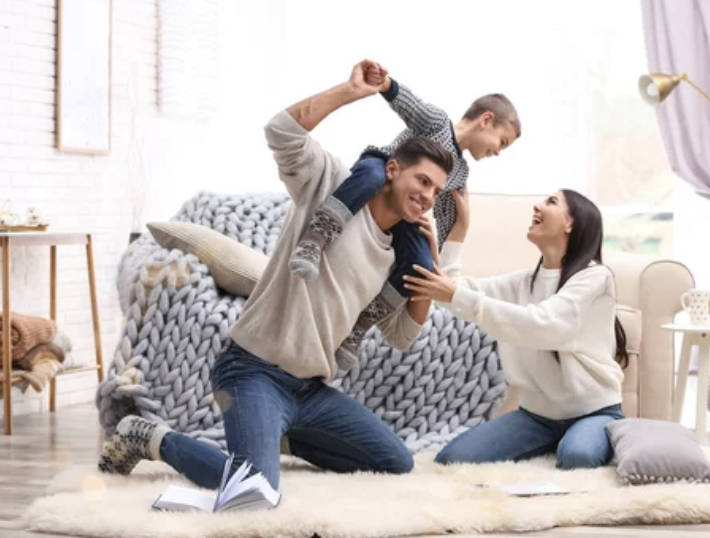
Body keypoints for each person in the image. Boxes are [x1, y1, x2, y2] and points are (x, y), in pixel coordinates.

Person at [97, 60, 455, 491]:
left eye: (436, 191)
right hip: (252, 372)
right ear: (393, 170)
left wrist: (428, 267)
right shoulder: (331, 184)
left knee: (394, 461)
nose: (427, 197)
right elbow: (281, 131)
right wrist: (349, 91)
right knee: (253, 489)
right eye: (422, 180)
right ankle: (150, 436)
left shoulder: (401, 251)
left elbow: (402, 337)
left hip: (310, 392)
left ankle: (274, 435)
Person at [289, 62, 521, 363]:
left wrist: (458, 231)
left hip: (405, 211)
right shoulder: (438, 123)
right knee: (373, 175)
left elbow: (445, 225)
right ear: (486, 120)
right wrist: (385, 84)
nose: (499, 152)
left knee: (421, 262)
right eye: (501, 142)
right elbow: (411, 106)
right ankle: (314, 240)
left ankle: (360, 326)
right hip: (384, 171)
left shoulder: (460, 174)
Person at [403, 188, 629, 470]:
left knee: (578, 457)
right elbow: (452, 293)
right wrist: (459, 229)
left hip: (593, 411)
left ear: (571, 223)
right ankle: (558, 442)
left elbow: (542, 325)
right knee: (452, 458)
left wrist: (457, 296)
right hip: (537, 417)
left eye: (551, 201)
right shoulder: (524, 282)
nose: (537, 205)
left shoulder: (596, 278)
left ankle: (590, 435)